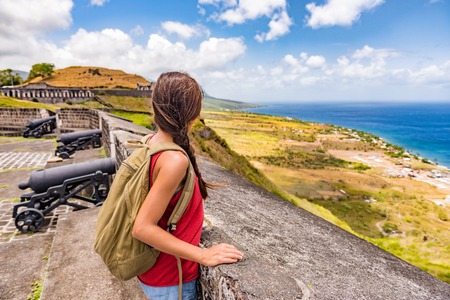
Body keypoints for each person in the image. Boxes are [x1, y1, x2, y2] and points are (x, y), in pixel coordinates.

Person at [132, 71, 243, 300]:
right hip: (172, 279)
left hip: (157, 273)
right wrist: (203, 256)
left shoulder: (152, 143)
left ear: (155, 108)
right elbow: (142, 228)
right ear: (194, 114)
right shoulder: (174, 160)